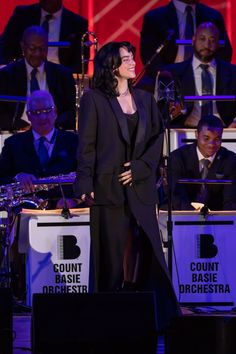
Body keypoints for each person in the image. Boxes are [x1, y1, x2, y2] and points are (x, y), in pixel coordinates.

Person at [73, 41, 180, 331]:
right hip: (108, 188)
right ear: (112, 66)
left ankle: (156, 319)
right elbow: (87, 146)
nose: (133, 62)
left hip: (141, 187)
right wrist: (84, 182)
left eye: (132, 57)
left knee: (149, 254)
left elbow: (158, 139)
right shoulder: (94, 99)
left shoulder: (145, 99)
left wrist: (143, 167)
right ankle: (103, 322)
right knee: (108, 259)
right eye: (126, 59)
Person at [0, 90, 78, 209]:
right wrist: (17, 176)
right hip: (26, 213)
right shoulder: (13, 144)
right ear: (28, 115)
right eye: (36, 112)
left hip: (66, 213)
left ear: (55, 112)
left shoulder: (74, 141)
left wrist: (75, 200)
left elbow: (85, 178)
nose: (42, 117)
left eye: (47, 111)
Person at [139, 0, 232, 92]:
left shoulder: (213, 16)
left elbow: (225, 53)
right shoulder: (155, 17)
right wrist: (171, 78)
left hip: (205, 73)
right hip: (169, 76)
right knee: (143, 92)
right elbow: (149, 57)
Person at [156, 22, 236, 128]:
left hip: (224, 131)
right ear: (193, 39)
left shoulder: (233, 72)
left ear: (218, 43)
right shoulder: (171, 73)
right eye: (202, 39)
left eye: (212, 40)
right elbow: (162, 113)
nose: (207, 45)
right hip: (185, 132)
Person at [0, 26, 76, 131]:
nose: (37, 53)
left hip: (53, 134)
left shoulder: (63, 75)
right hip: (18, 133)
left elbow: (70, 111)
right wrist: (21, 126)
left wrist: (52, 127)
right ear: (23, 47)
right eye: (32, 48)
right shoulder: (6, 75)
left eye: (42, 49)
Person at [0, 0, 88, 73]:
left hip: (60, 78)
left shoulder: (78, 23)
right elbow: (5, 46)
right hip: (23, 73)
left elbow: (80, 64)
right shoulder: (22, 15)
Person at [169, 115, 236, 211]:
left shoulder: (230, 160)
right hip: (184, 217)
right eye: (206, 138)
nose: (211, 144)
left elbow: (230, 201)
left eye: (217, 139)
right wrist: (193, 219)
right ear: (196, 134)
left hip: (217, 218)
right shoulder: (178, 157)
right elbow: (177, 196)